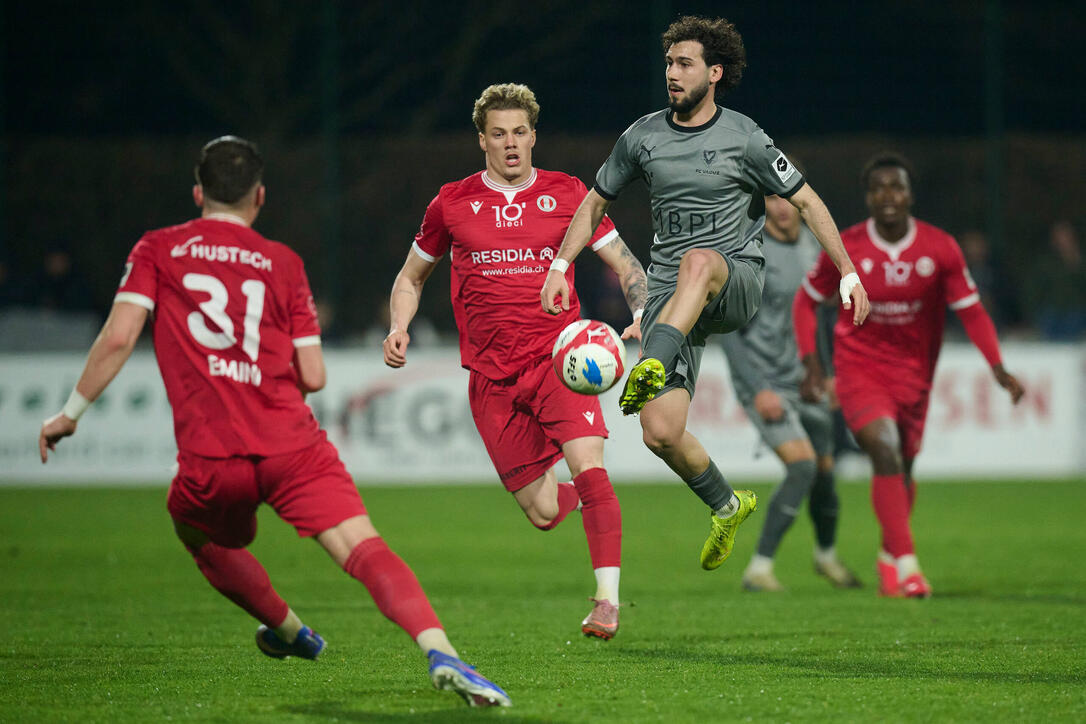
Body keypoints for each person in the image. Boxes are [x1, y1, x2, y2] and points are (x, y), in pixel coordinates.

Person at [38, 136, 510, 708]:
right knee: (363, 548)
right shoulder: (283, 264)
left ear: (197, 193)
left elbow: (118, 337)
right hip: (290, 445)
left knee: (194, 530)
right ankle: (442, 652)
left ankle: (289, 631)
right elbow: (313, 375)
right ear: (259, 197)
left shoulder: (158, 249)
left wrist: (70, 414)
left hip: (211, 458)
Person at [540, 15, 869, 571]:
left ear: (714, 72)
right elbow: (595, 202)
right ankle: (725, 503)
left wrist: (849, 271)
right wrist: (559, 264)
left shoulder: (745, 136)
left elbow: (808, 201)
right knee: (660, 431)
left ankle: (653, 360)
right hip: (676, 300)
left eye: (685, 63)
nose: (672, 72)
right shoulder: (641, 137)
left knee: (699, 260)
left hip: (734, 278)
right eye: (669, 62)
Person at [384, 83, 646, 641]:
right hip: (490, 378)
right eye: (499, 134)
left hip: (561, 361)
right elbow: (410, 277)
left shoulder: (570, 193)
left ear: (534, 136)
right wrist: (399, 326)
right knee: (544, 510)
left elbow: (626, 266)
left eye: (520, 132)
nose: (511, 144)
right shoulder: (451, 203)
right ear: (482, 139)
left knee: (591, 471)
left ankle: (607, 601)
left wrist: (644, 309)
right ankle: (596, 509)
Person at [793, 151, 1024, 599]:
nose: (888, 196)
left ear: (910, 194)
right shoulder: (848, 248)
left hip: (915, 376)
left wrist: (998, 368)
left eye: (896, 186)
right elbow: (805, 302)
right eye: (878, 188)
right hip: (860, 368)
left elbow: (972, 312)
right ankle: (909, 567)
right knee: (884, 449)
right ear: (867, 197)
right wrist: (812, 364)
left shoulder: (940, 249)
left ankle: (886, 558)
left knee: (903, 468)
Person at [720, 192, 862, 592]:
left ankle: (826, 557)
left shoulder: (815, 247)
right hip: (765, 382)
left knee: (824, 473)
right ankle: (759, 568)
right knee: (802, 465)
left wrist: (829, 373)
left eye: (785, 196)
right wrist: (758, 388)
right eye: (769, 198)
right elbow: (727, 328)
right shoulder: (748, 251)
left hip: (806, 378)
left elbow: (822, 316)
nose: (780, 206)